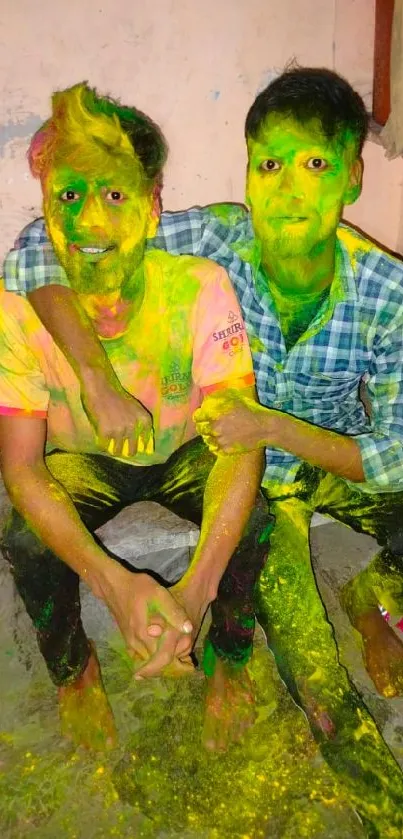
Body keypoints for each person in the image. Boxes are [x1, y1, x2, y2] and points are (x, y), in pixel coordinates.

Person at [3, 68, 403, 833]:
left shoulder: (385, 292)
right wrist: (92, 373)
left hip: (317, 454)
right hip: (256, 474)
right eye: (269, 165)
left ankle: (365, 596)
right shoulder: (216, 236)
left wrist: (276, 428)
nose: (288, 190)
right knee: (319, 684)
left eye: (315, 165)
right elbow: (39, 250)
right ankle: (385, 810)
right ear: (247, 173)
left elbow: (391, 456)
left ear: (353, 174)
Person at [0, 81, 270, 753]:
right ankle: (75, 673)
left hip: (183, 448)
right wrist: (115, 583)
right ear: (44, 213)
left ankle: (227, 660)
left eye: (114, 196)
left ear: (153, 210)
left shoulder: (197, 284)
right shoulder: (19, 306)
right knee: (27, 537)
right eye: (69, 196)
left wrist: (196, 589)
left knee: (255, 517)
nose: (89, 220)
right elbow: (22, 469)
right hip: (85, 461)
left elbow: (240, 441)